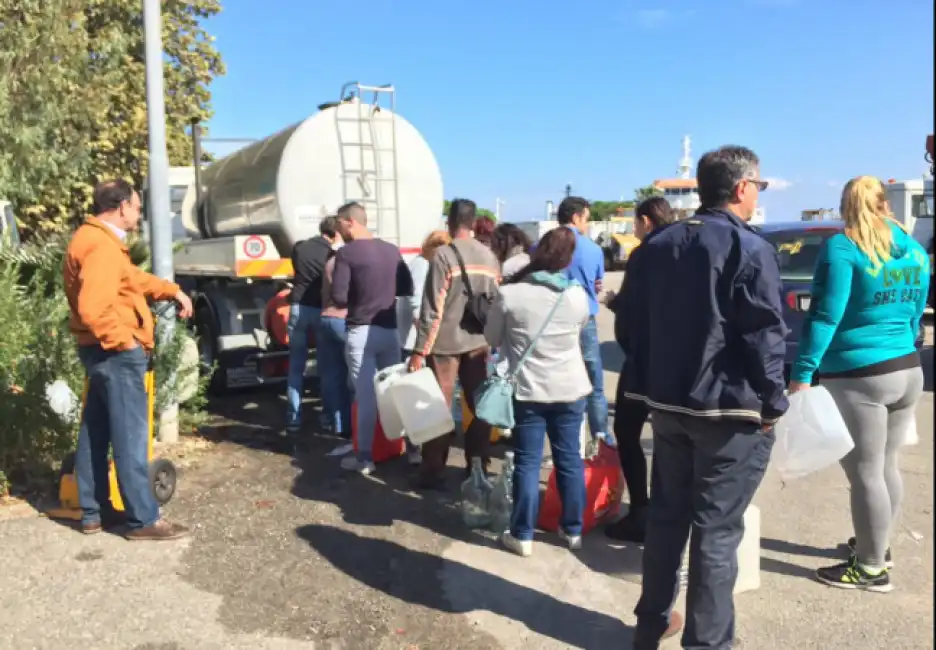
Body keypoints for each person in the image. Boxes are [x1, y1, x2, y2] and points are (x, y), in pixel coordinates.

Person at [620, 146, 786, 649]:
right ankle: (707, 643)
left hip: (668, 406)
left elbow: (629, 327)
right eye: (758, 185)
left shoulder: (658, 245)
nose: (757, 194)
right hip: (727, 411)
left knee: (668, 518)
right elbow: (764, 337)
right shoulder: (749, 248)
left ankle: (650, 624)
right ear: (741, 187)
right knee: (715, 532)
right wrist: (773, 402)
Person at [790, 176, 929, 593]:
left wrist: (802, 372)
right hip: (907, 368)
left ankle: (870, 568)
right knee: (885, 466)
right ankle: (876, 544)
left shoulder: (844, 246)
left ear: (845, 205)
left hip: (859, 374)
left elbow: (825, 315)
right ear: (885, 204)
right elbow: (916, 311)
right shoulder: (913, 249)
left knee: (865, 472)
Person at [63, 179, 194, 540]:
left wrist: (171, 290)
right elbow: (93, 307)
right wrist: (126, 344)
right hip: (115, 353)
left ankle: (93, 513)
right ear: (121, 207)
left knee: (96, 432)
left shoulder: (97, 241)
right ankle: (143, 520)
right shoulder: (101, 247)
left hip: (100, 351)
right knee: (130, 438)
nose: (138, 213)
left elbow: (129, 279)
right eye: (137, 207)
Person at [483, 227, 590, 556]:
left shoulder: (511, 294)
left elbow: (492, 338)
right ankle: (572, 530)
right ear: (568, 260)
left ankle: (522, 535)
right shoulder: (576, 295)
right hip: (571, 387)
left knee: (528, 462)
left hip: (529, 389)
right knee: (569, 458)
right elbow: (580, 330)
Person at [408, 199, 500, 491]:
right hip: (478, 342)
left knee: (439, 408)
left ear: (449, 222)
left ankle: (433, 471)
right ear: (473, 223)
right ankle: (477, 467)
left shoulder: (443, 256)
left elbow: (432, 309)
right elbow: (497, 305)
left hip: (445, 345)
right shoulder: (489, 257)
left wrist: (420, 350)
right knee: (480, 406)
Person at [603, 196, 678, 543]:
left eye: (636, 223)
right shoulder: (686, 249)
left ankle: (641, 513)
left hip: (644, 362)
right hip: (679, 362)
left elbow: (633, 311)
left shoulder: (645, 254)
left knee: (627, 431)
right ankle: (667, 514)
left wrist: (614, 303)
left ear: (646, 222)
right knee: (670, 437)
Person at [330, 202, 414, 474]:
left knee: (365, 396)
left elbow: (340, 297)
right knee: (396, 392)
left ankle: (364, 458)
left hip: (361, 331)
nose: (337, 229)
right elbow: (406, 287)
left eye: (339, 224)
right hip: (390, 332)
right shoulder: (391, 250)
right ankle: (412, 450)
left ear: (350, 222)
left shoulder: (347, 253)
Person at [557, 196, 610, 445]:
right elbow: (597, 282)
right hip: (585, 319)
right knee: (594, 384)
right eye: (586, 219)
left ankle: (565, 438)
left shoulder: (541, 247)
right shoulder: (593, 249)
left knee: (561, 381)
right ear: (577, 217)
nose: (587, 225)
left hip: (554, 322)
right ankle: (600, 437)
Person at [397, 229, 452, 464]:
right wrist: (428, 332)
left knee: (424, 394)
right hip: (414, 342)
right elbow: (417, 302)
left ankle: (421, 442)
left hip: (422, 341)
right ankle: (413, 446)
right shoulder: (422, 265)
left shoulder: (430, 264)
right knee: (415, 396)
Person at [286, 216, 341, 433]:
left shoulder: (300, 248)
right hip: (320, 309)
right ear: (335, 233)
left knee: (296, 366)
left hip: (298, 308)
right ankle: (327, 418)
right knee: (326, 367)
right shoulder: (331, 254)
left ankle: (293, 417)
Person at [316, 216, 353, 444]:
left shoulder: (329, 261)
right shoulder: (346, 261)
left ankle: (334, 422)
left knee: (331, 376)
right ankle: (350, 426)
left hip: (325, 318)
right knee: (352, 377)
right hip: (343, 319)